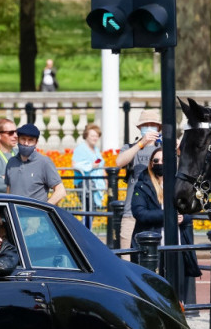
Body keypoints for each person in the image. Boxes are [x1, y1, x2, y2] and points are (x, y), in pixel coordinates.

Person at [131, 148, 201, 300]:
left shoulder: (180, 184)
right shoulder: (142, 185)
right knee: (155, 289)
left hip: (177, 243)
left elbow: (191, 209)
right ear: (150, 164)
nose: (159, 164)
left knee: (177, 289)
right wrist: (168, 216)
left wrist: (184, 218)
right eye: (155, 161)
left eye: (163, 160)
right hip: (153, 245)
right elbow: (139, 213)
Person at [116, 109, 161, 259]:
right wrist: (141, 144)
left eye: (152, 125)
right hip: (131, 214)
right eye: (145, 125)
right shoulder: (130, 147)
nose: (149, 128)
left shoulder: (162, 152)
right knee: (127, 261)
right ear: (139, 128)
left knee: (154, 261)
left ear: (159, 128)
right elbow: (119, 162)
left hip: (155, 215)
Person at [5, 123, 67, 205]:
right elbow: (9, 190)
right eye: (23, 139)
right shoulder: (11, 162)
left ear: (36, 142)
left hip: (36, 216)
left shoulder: (44, 162)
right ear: (18, 139)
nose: (26, 143)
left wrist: (44, 209)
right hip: (14, 215)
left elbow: (61, 191)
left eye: (30, 140)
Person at [72, 124, 107, 227]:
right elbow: (74, 165)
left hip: (94, 184)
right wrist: (90, 166)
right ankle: (84, 231)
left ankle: (86, 231)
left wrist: (105, 179)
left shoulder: (96, 150)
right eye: (92, 135)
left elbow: (101, 165)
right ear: (86, 135)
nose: (95, 138)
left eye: (96, 136)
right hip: (84, 183)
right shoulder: (80, 149)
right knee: (88, 209)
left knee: (92, 209)